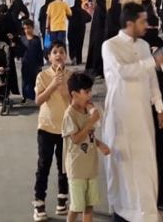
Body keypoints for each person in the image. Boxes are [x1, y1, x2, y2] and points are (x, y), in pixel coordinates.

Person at [102, 3, 163, 222]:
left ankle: (146, 213)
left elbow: (152, 81)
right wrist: (152, 61)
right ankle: (122, 212)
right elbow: (123, 72)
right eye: (142, 21)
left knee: (145, 164)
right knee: (122, 167)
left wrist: (160, 110)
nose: (146, 25)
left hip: (142, 118)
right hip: (120, 117)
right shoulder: (109, 46)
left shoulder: (143, 45)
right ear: (129, 23)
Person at [63, 73, 111, 222]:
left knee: (90, 204)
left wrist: (99, 144)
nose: (89, 95)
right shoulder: (69, 115)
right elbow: (76, 139)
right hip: (77, 168)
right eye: (86, 92)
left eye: (90, 91)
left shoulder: (87, 111)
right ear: (74, 94)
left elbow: (89, 136)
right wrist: (90, 122)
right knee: (76, 206)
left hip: (91, 166)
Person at [33, 41, 72, 221]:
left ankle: (62, 200)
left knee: (64, 166)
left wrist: (63, 87)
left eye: (61, 52)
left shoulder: (71, 77)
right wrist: (53, 85)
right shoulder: (42, 76)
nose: (58, 55)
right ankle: (39, 202)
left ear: (65, 56)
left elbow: (74, 102)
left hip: (65, 129)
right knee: (43, 166)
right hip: (46, 128)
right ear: (49, 57)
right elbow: (39, 100)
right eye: (55, 52)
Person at [143, 5, 163, 212]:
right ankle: (160, 196)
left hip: (142, 104)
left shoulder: (137, 45)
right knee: (160, 152)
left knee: (144, 151)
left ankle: (146, 194)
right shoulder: (162, 44)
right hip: (160, 102)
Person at [85, 0, 107, 77]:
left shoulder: (98, 8)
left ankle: (95, 69)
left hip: (95, 35)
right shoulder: (101, 9)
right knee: (98, 53)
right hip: (100, 36)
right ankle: (97, 70)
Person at [21, 19, 44, 102]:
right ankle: (25, 96)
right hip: (25, 63)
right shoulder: (22, 39)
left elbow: (40, 52)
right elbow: (20, 51)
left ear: (32, 28)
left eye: (28, 28)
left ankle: (35, 96)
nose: (27, 30)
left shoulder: (36, 39)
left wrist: (40, 64)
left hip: (35, 64)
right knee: (25, 81)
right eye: (25, 28)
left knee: (35, 80)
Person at [68, 0, 92, 66]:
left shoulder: (71, 9)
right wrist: (83, 21)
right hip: (80, 30)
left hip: (72, 29)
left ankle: (73, 57)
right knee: (79, 44)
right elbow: (89, 18)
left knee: (72, 44)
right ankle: (79, 60)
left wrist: (71, 20)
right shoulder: (82, 11)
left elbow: (67, 15)